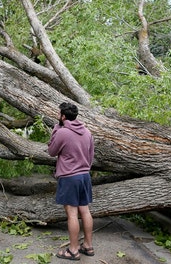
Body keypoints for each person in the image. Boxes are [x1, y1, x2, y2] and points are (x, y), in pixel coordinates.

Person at [47, 102, 95, 261]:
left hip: (69, 177)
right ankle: (88, 246)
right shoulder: (87, 132)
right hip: (84, 176)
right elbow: (90, 156)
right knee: (85, 211)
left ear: (63, 116)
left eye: (59, 114)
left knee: (72, 214)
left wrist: (55, 129)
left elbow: (52, 152)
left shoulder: (62, 132)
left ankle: (73, 250)